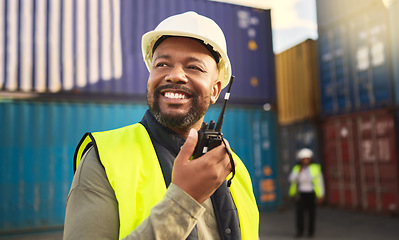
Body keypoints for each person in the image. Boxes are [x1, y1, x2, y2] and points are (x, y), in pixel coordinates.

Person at [63, 11, 259, 240]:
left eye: (194, 67)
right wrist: (184, 201)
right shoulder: (104, 158)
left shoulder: (237, 170)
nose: (175, 75)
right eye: (162, 64)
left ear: (215, 90)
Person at [288, 148, 325, 238]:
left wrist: (321, 195)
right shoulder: (297, 168)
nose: (305, 161)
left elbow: (319, 182)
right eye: (303, 159)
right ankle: (300, 231)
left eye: (307, 159)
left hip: (311, 193)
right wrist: (298, 173)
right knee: (299, 215)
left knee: (311, 214)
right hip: (301, 193)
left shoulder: (315, 168)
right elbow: (291, 179)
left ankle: (310, 232)